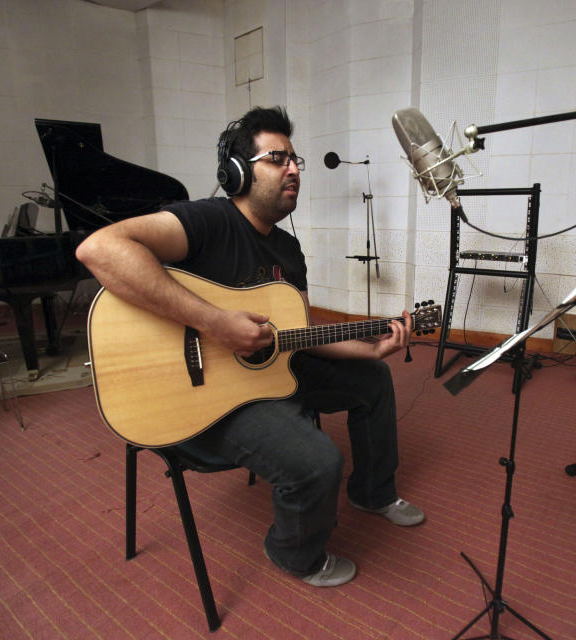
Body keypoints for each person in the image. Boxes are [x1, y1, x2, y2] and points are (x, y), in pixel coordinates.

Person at [76, 105, 424, 588]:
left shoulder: (287, 249)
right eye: (278, 158)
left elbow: (297, 333)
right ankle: (293, 553)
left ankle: (372, 492)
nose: (294, 169)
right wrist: (214, 322)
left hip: (264, 374)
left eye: (295, 160)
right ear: (238, 172)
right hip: (200, 402)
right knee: (318, 460)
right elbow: (99, 249)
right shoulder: (206, 221)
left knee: (373, 379)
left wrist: (368, 348)